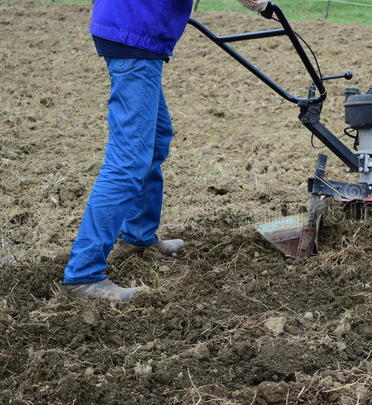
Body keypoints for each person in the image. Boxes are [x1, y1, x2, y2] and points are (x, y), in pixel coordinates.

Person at [62, 0, 269, 302]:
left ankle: (139, 235)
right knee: (128, 161)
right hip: (134, 30)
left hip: (131, 25)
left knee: (157, 137)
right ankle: (83, 274)